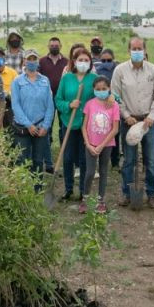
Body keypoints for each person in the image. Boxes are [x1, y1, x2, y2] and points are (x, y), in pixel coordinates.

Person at [111, 37, 154, 208]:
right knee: (129, 160)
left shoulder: (153, 70)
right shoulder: (120, 70)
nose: (137, 51)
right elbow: (115, 95)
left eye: (139, 48)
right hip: (129, 120)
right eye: (133, 49)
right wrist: (126, 115)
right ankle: (127, 193)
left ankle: (152, 194)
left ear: (144, 50)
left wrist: (152, 115)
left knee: (150, 159)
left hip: (147, 121)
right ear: (129, 51)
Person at [55, 47, 97, 201]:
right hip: (69, 123)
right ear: (74, 61)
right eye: (80, 60)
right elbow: (58, 100)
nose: (83, 63)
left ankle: (83, 191)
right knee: (67, 158)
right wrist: (69, 105)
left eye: (86, 60)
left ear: (90, 62)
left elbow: (101, 97)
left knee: (84, 158)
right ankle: (68, 189)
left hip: (86, 125)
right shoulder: (66, 79)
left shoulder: (94, 79)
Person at [10, 49, 54, 188]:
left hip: (41, 128)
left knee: (38, 161)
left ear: (38, 61)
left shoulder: (45, 80)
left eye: (34, 59)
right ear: (24, 61)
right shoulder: (17, 81)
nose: (32, 61)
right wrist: (28, 125)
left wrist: (46, 126)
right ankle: (22, 190)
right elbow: (15, 105)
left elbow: (49, 105)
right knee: (22, 160)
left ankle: (37, 190)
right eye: (29, 59)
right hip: (23, 128)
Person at [81, 76, 121, 214]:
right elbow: (84, 127)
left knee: (103, 171)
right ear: (93, 90)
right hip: (91, 144)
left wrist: (102, 145)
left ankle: (101, 200)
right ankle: (85, 198)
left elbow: (115, 129)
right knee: (90, 172)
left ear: (109, 89)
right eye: (98, 89)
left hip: (106, 145)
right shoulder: (90, 104)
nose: (101, 91)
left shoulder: (114, 105)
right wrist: (88, 144)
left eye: (104, 89)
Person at [39, 37, 68, 174]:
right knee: (47, 127)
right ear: (48, 46)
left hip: (62, 98)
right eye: (52, 45)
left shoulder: (66, 61)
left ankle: (65, 153)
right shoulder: (42, 61)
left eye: (56, 45)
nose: (54, 47)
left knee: (63, 126)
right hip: (47, 100)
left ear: (61, 45)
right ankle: (47, 156)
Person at [0, 46, 18, 131]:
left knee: (9, 133)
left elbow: (17, 91)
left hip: (8, 109)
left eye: (1, 56)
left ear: (4, 58)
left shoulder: (12, 73)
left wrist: (8, 95)